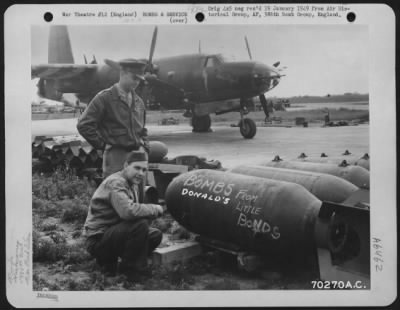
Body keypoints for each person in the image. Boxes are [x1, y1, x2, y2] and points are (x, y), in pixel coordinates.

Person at [83, 151, 164, 280]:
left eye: (144, 170)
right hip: (98, 240)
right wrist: (155, 208)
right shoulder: (116, 182)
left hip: (113, 233)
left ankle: (123, 263)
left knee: (155, 235)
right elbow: (128, 212)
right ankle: (131, 273)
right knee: (140, 226)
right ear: (126, 165)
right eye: (137, 168)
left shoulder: (132, 183)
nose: (141, 173)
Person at [77, 58, 150, 178]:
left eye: (139, 80)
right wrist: (102, 145)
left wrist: (145, 147)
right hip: (116, 157)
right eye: (134, 78)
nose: (137, 82)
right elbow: (84, 125)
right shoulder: (105, 98)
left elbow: (142, 129)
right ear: (123, 73)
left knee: (137, 194)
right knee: (116, 191)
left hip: (138, 156)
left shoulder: (139, 102)